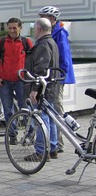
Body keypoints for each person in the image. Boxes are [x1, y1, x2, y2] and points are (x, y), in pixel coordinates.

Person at [38, 6, 75, 153]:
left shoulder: (60, 33)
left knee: (56, 109)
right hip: (51, 77)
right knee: (52, 108)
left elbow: (64, 56)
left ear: (52, 19)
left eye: (44, 17)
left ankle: (59, 143)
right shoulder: (52, 32)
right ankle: (54, 142)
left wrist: (61, 75)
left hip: (57, 77)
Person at [0, 18, 33, 144]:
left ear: (20, 28)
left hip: (21, 81)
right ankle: (12, 135)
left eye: (14, 28)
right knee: (8, 110)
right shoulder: (2, 42)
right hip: (5, 81)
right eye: (10, 28)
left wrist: (30, 78)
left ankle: (30, 134)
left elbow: (32, 61)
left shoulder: (26, 42)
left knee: (25, 108)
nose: (12, 30)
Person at [24, 17, 59, 161]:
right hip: (52, 86)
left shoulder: (43, 45)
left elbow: (41, 69)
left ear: (38, 29)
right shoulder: (52, 42)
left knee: (41, 118)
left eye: (35, 29)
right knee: (50, 118)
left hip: (44, 87)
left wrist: (35, 89)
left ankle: (41, 151)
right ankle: (52, 147)